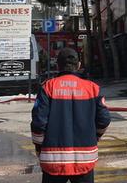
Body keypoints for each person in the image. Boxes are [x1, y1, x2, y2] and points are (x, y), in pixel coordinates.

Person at [31, 47, 111, 183]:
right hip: (85, 159)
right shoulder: (92, 88)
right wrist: (95, 137)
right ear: (79, 65)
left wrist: (39, 148)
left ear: (58, 66)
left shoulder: (48, 87)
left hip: (53, 160)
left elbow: (39, 123)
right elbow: (104, 119)